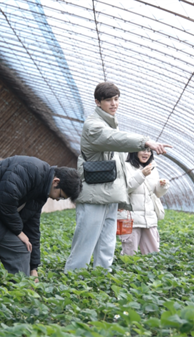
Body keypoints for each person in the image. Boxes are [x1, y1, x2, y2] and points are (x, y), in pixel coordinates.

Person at [64, 82, 172, 271]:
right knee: (85, 243)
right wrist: (145, 142)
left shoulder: (111, 125)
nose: (114, 104)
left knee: (107, 243)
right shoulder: (94, 126)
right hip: (94, 195)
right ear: (97, 102)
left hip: (111, 195)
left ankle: (101, 278)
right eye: (108, 100)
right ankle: (72, 280)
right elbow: (114, 140)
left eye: (116, 99)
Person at [0, 156, 81, 281]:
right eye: (61, 196)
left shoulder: (41, 190)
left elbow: (32, 229)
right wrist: (18, 232)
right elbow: (5, 201)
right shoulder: (30, 169)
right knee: (19, 251)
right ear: (56, 181)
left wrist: (33, 268)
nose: (57, 200)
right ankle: (21, 291)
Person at [118, 149, 169, 255]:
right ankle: (127, 271)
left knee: (153, 253)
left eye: (149, 151)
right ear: (134, 151)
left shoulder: (153, 168)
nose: (146, 153)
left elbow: (157, 194)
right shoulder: (125, 166)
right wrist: (141, 174)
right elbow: (123, 189)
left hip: (149, 218)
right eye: (143, 150)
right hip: (129, 218)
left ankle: (150, 270)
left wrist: (162, 186)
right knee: (129, 254)